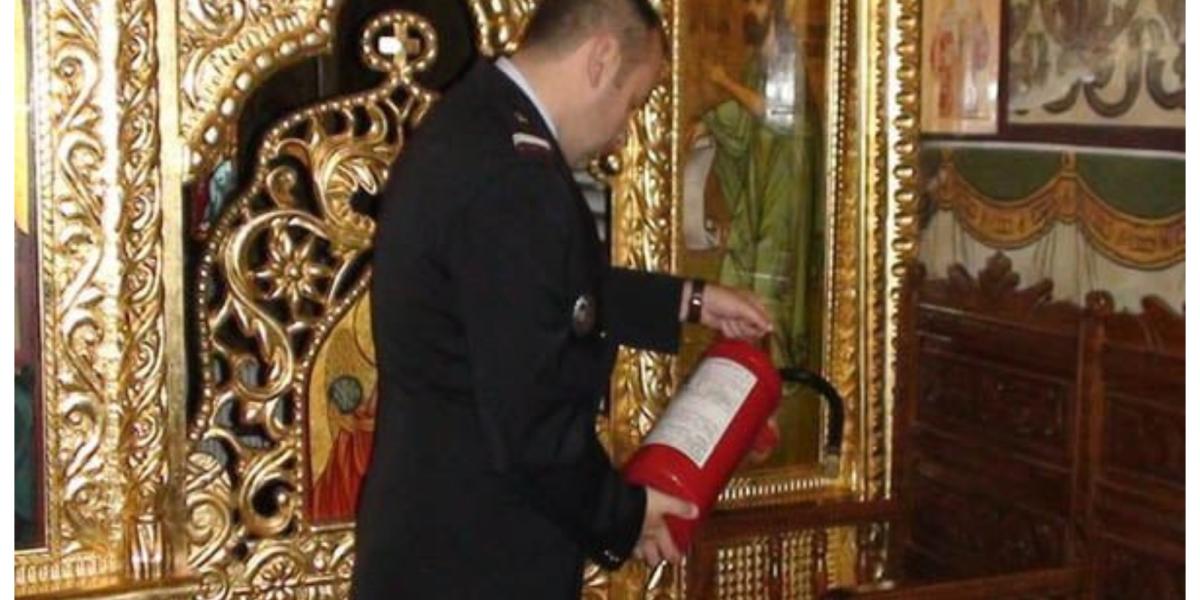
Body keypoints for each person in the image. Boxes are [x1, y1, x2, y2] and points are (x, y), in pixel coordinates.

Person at [352, 0, 773, 596]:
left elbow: (536, 293)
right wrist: (625, 515)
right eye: (632, 103)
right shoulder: (515, 179)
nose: (623, 131)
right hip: (478, 558)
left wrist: (690, 300)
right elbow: (533, 419)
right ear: (601, 59)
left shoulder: (476, 122)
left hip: (435, 535)